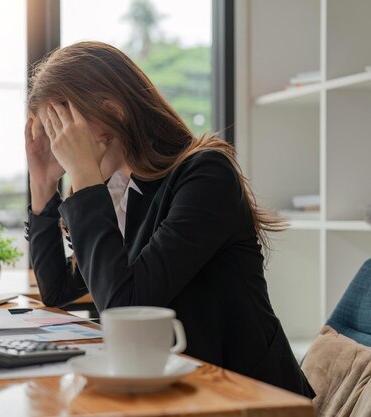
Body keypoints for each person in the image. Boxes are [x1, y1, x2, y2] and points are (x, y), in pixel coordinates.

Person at [24, 41, 314, 398]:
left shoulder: (206, 175)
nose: (60, 145)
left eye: (64, 128)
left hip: (248, 397)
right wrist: (43, 184)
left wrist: (84, 177)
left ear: (113, 111)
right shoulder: (123, 191)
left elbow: (124, 310)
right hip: (177, 389)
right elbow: (57, 291)